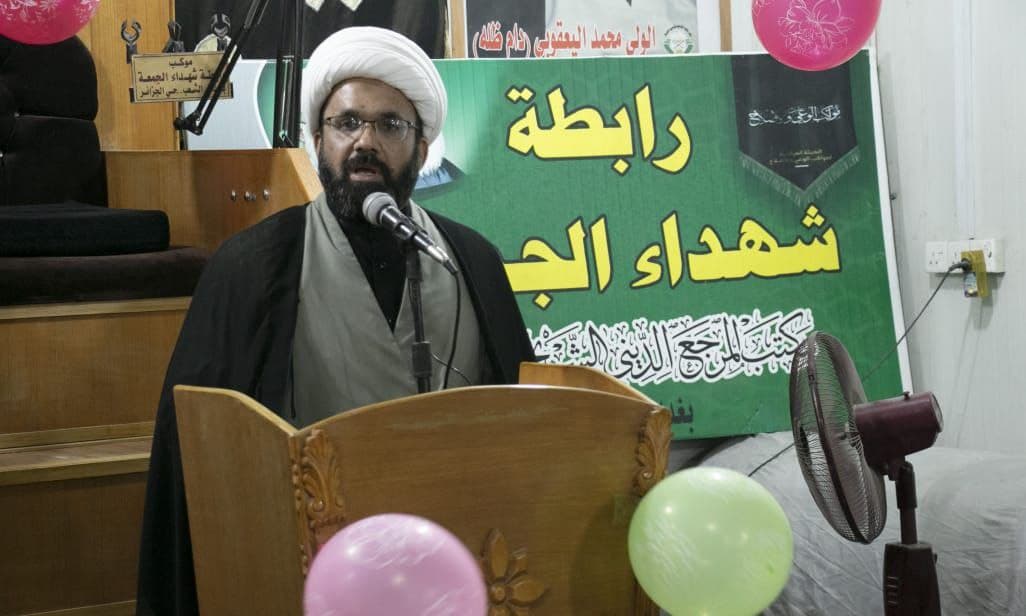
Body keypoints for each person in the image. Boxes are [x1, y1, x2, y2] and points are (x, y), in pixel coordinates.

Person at [135, 26, 535, 615]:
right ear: (318, 140)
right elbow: (200, 455)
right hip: (305, 569)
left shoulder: (471, 261)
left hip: (456, 561)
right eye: (347, 123)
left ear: (423, 147)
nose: (364, 142)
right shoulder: (251, 267)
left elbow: (523, 426)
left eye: (390, 125)